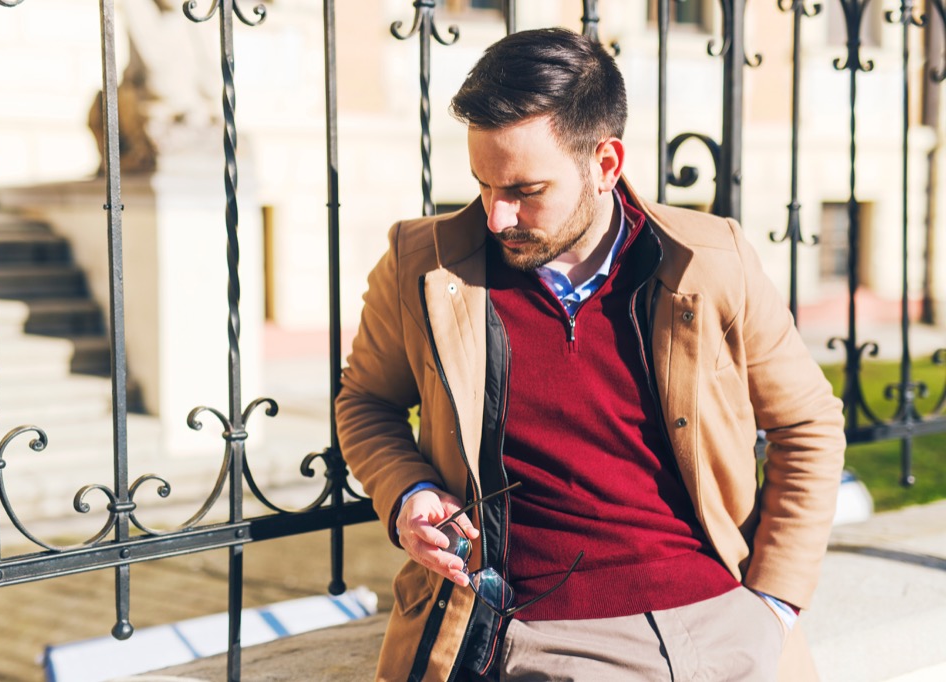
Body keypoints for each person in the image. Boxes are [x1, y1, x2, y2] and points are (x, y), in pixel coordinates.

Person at [335, 27, 845, 682]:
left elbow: (809, 424)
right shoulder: (423, 266)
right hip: (538, 633)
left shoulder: (710, 260)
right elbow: (366, 403)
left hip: (720, 618)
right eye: (484, 185)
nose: (497, 216)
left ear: (604, 165)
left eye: (524, 191)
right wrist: (408, 491)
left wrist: (774, 601)